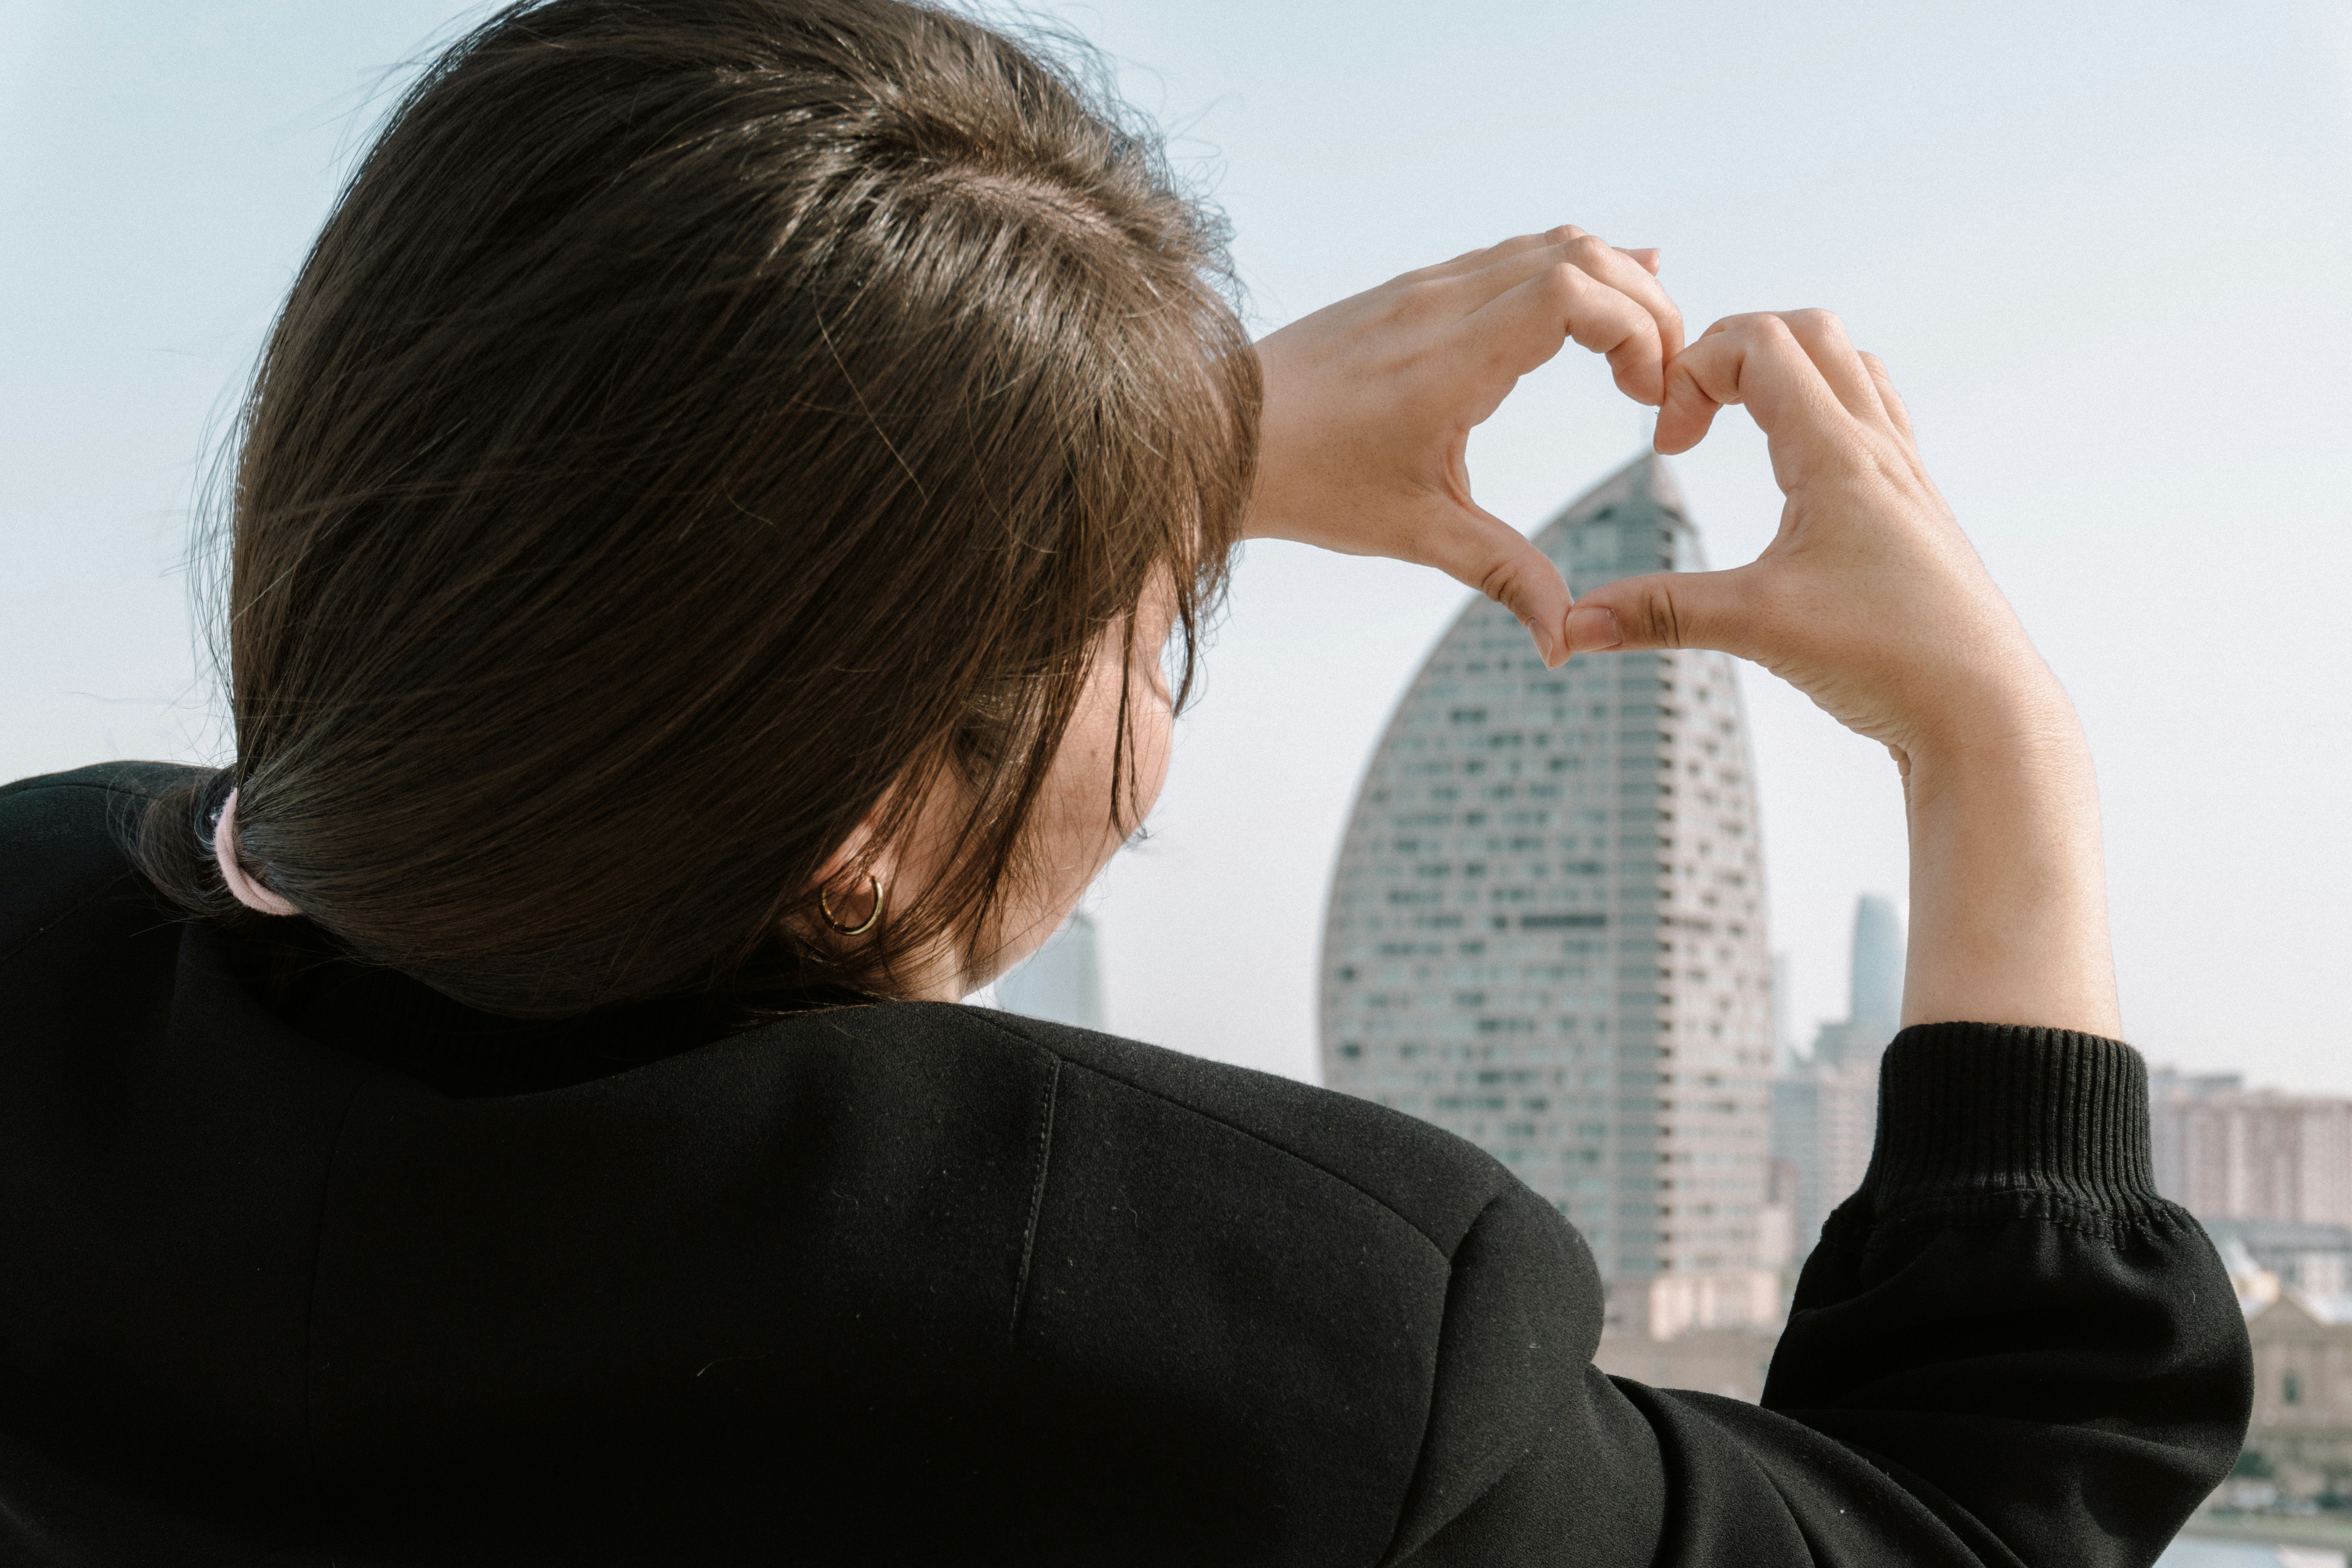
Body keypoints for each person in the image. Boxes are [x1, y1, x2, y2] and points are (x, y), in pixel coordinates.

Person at [0, 0, 2249, 1562]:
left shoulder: (46, 970)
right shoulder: (1269, 1350)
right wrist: (1998, 752)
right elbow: (1964, 1519)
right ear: (866, 825)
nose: (1164, 696)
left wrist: (1078, 450)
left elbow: (523, 655)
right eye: (1148, 631)